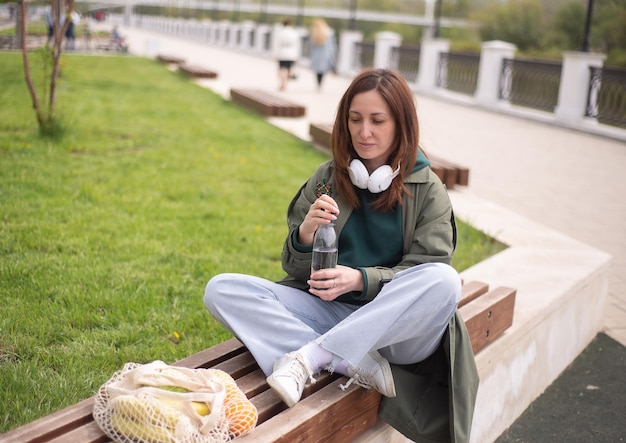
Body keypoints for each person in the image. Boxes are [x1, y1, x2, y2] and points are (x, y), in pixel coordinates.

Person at [204, 68, 479, 442]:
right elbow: (294, 267)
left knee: (444, 280)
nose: (364, 132)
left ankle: (313, 357)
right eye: (355, 119)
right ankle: (349, 360)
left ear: (401, 125)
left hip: (398, 334)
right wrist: (305, 234)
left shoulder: (429, 190)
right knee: (222, 289)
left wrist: (361, 279)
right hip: (334, 315)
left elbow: (426, 268)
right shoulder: (328, 177)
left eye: (377, 121)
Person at [308, 18, 337, 91]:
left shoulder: (314, 33)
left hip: (316, 55)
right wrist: (333, 55)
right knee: (323, 71)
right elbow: (332, 46)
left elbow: (311, 46)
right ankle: (320, 85)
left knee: (317, 71)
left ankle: (318, 84)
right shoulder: (329, 33)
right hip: (325, 55)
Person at [273, 18, 301, 91]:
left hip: (282, 53)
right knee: (288, 69)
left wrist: (275, 54)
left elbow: (276, 44)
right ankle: (285, 83)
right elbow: (297, 45)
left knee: (282, 69)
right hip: (291, 54)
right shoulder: (294, 33)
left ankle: (282, 83)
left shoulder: (279, 33)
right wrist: (297, 56)